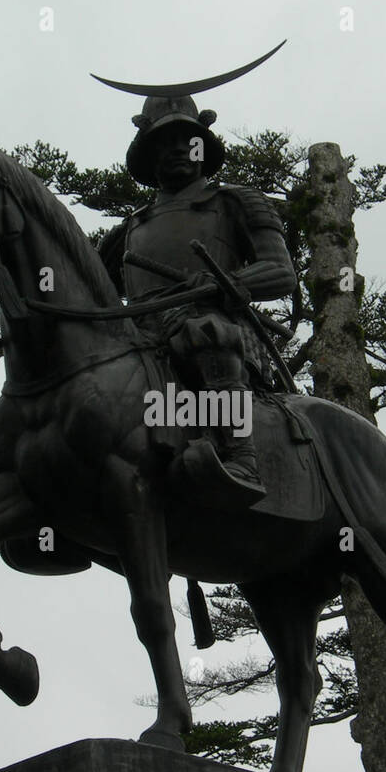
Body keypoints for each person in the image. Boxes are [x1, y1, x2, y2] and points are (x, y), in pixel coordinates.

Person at [99, 94, 297, 506]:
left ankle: (240, 456)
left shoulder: (235, 202)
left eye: (185, 140)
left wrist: (226, 283)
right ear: (149, 157)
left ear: (201, 149)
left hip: (213, 325)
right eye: (162, 143)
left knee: (208, 334)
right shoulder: (128, 230)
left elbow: (281, 272)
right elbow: (87, 288)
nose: (175, 149)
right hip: (140, 335)